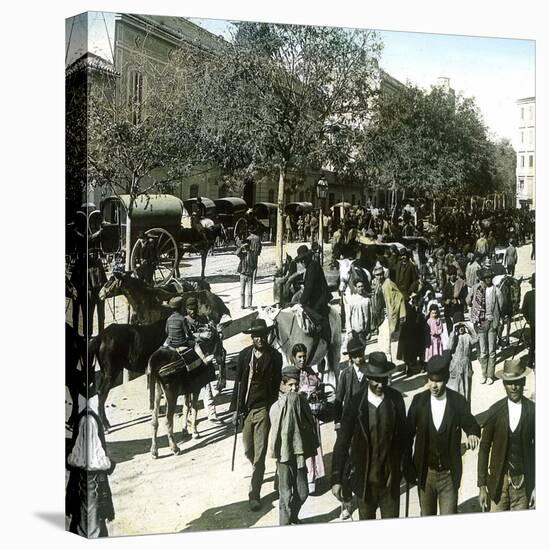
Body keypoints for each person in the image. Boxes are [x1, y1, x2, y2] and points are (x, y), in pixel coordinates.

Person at [331, 351, 406, 520]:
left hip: (389, 484)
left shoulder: (396, 400)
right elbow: (342, 442)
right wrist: (336, 478)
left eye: (384, 379)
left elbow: (404, 439)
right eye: (376, 380)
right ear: (368, 377)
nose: (380, 384)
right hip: (364, 484)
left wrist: (404, 467)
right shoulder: (355, 403)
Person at [405, 353, 481, 516]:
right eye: (430, 380)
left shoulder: (457, 402)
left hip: (449, 476)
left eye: (438, 381)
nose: (433, 385)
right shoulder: (419, 402)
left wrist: (472, 433)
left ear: (446, 379)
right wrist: (408, 466)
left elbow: (471, 423)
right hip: (425, 475)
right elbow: (407, 436)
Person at [230, 319, 283, 511]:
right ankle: (258, 470)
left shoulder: (275, 357)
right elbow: (238, 384)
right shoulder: (245, 356)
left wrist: (274, 411)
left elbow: (277, 386)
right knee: (248, 450)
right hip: (247, 410)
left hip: (263, 410)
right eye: (256, 335)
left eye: (262, 335)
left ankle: (254, 494)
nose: (259, 339)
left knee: (259, 456)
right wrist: (235, 410)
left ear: (267, 335)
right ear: (252, 337)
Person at [478, 359, 535, 512]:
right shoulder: (495, 411)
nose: (514, 387)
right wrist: (482, 486)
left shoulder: (532, 411)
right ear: (504, 385)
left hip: (523, 484)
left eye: (517, 382)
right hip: (498, 483)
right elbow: (484, 449)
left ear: (523, 382)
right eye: (509, 383)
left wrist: (537, 486)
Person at [269, 365, 319, 525]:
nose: (294, 387)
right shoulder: (276, 407)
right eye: (290, 384)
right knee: (285, 496)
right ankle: (284, 525)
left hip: (299, 455)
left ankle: (293, 517)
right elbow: (276, 434)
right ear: (282, 386)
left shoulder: (302, 402)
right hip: (284, 458)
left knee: (303, 492)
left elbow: (309, 424)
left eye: (296, 384)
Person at [66, 401, 116, 537]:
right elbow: (92, 460)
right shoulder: (90, 419)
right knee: (93, 530)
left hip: (81, 483)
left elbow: (73, 459)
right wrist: (110, 464)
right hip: (92, 484)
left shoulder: (83, 417)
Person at [333, 333, 368, 519]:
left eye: (360, 353)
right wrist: (337, 422)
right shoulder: (345, 375)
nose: (358, 357)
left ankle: (365, 497)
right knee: (346, 464)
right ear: (350, 357)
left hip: (366, 425)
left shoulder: (371, 371)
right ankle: (347, 502)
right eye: (355, 355)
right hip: (348, 424)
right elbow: (338, 400)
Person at [292, 344, 325, 494]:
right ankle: (299, 478)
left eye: (304, 356)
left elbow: (318, 385)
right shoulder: (291, 374)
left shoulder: (310, 371)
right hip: (297, 416)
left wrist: (316, 390)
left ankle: (312, 477)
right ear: (293, 358)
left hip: (311, 415)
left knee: (312, 445)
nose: (302, 359)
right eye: (299, 357)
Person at [467, 267, 503, 385]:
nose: (487, 280)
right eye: (485, 278)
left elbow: (501, 306)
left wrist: (495, 317)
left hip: (492, 323)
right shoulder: (478, 289)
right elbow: (468, 301)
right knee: (483, 351)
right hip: (481, 323)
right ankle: (484, 374)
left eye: (489, 277)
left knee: (492, 350)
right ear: (482, 279)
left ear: (491, 278)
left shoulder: (496, 290)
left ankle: (490, 375)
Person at [295, 244, 331, 343]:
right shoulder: (311, 266)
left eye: (303, 259)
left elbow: (309, 288)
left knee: (311, 314)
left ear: (307, 258)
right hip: (315, 297)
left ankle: (322, 334)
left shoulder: (313, 267)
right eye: (300, 261)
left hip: (320, 298)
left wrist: (301, 302)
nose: (302, 262)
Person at [371, 265, 406, 363]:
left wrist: (395, 310)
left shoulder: (389, 283)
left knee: (386, 346)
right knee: (381, 344)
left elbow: (400, 296)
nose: (380, 277)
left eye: (381, 274)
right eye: (377, 275)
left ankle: (389, 372)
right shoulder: (377, 285)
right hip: (380, 319)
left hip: (387, 318)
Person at [447, 312, 477, 405]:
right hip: (456, 367)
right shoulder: (454, 337)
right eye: (458, 327)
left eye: (462, 326)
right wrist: (453, 331)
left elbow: (475, 339)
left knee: (467, 391)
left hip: (466, 366)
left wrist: (468, 327)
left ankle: (466, 414)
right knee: (456, 391)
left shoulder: (467, 336)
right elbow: (449, 347)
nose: (461, 329)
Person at [344, 279, 372, 350]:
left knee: (362, 350)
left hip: (364, 331)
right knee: (354, 351)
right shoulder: (351, 300)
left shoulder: (367, 300)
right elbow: (348, 317)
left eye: (362, 286)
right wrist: (349, 331)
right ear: (355, 288)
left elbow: (369, 316)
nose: (361, 288)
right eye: (359, 287)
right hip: (354, 331)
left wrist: (369, 331)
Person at [441, 265, 467, 333]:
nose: (452, 276)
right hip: (448, 312)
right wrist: (446, 302)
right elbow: (442, 300)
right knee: (451, 332)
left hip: (458, 311)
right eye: (450, 274)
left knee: (460, 331)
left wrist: (458, 301)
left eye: (454, 274)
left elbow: (466, 298)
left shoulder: (461, 284)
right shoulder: (446, 286)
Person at [521, 273, 535, 369]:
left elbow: (523, 310)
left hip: (534, 324)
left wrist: (528, 320)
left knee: (533, 343)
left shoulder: (528, 294)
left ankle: (530, 362)